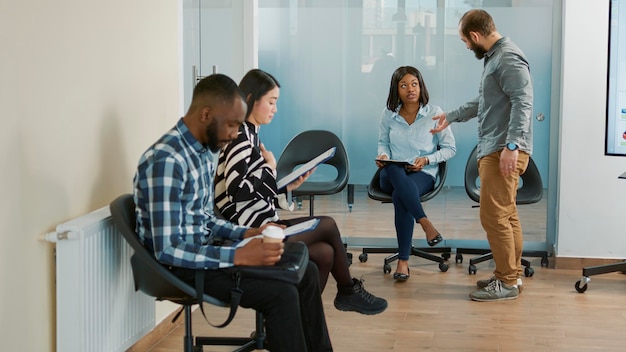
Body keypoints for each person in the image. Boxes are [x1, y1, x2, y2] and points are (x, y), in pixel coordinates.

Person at [133, 73, 333, 351]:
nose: (234, 134)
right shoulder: (167, 161)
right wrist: (238, 254)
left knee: (307, 270)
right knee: (282, 294)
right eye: (231, 125)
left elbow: (205, 219)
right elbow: (168, 250)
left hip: (207, 252)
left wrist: (250, 233)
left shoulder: (200, 152)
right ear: (206, 114)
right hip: (184, 267)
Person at [214, 68, 387, 315]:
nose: (275, 109)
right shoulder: (240, 136)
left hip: (260, 223)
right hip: (246, 233)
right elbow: (238, 192)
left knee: (325, 254)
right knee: (326, 225)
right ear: (251, 99)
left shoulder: (250, 134)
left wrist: (285, 185)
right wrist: (271, 170)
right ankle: (347, 291)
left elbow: (251, 189)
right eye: (271, 102)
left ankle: (298, 319)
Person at [430, 9, 533, 302]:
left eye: (465, 41)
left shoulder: (508, 57)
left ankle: (507, 282)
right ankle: (510, 276)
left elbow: (522, 102)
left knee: (493, 217)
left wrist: (512, 146)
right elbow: (486, 101)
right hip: (497, 146)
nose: (466, 46)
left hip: (503, 148)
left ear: (475, 36)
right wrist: (451, 116)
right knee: (506, 215)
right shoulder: (497, 57)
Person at [375, 65, 456, 282]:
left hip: (422, 173)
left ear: (421, 86)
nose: (410, 89)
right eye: (404, 85)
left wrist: (427, 160)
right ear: (396, 90)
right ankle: (425, 223)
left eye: (414, 84)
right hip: (391, 173)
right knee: (393, 168)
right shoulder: (389, 114)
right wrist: (383, 155)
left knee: (400, 195)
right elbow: (383, 142)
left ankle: (403, 261)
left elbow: (450, 148)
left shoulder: (434, 113)